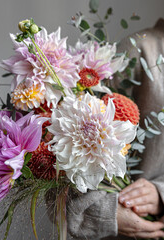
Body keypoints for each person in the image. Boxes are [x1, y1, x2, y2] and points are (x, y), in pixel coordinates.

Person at [65, 18, 164, 239]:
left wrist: (161, 194)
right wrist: (105, 213)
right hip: (126, 223)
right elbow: (74, 146)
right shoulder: (137, 48)